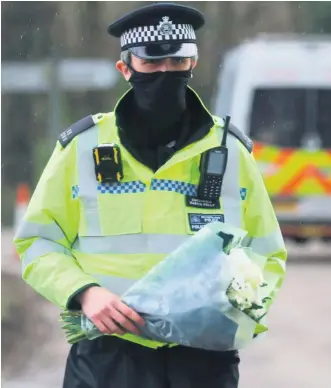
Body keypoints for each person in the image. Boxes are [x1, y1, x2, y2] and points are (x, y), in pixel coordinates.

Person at [14, 2, 287, 388]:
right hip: (108, 356)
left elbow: (266, 251)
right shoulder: (81, 149)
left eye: (178, 63)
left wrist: (236, 312)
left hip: (203, 360)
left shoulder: (230, 154)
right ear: (125, 68)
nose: (166, 73)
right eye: (151, 64)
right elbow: (38, 241)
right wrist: (84, 293)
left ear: (193, 64)